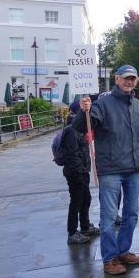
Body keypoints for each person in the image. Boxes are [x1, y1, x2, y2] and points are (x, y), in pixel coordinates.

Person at [73, 64, 139, 275]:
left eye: (132, 78)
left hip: (133, 169)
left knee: (131, 214)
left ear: (137, 81)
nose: (129, 81)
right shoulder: (102, 104)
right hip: (111, 169)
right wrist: (83, 111)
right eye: (125, 78)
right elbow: (80, 127)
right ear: (116, 79)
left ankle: (123, 251)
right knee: (108, 217)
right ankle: (110, 258)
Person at [62, 101, 98, 244]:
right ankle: (72, 232)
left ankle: (84, 226)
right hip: (75, 172)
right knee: (76, 201)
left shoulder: (80, 129)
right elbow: (72, 154)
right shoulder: (72, 130)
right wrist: (80, 170)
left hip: (82, 170)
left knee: (86, 199)